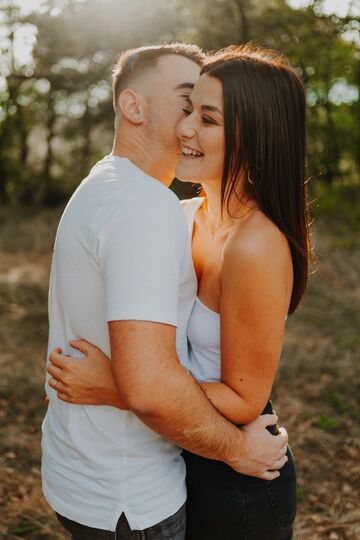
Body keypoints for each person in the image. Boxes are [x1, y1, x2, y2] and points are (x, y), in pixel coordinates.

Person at [43, 43, 288, 540]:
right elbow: (148, 377)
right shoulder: (170, 212)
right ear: (133, 107)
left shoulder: (124, 193)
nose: (186, 127)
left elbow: (232, 394)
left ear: (249, 131)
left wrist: (114, 387)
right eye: (185, 105)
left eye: (205, 115)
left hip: (216, 466)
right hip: (151, 472)